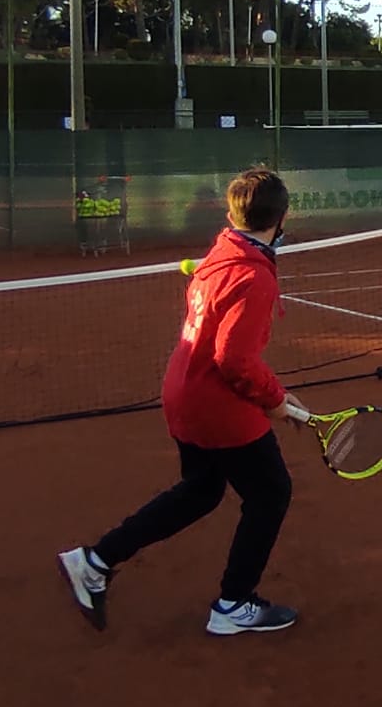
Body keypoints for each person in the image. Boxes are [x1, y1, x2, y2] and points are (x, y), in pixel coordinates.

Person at [57, 168, 305, 637]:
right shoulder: (254, 276)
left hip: (184, 391)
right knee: (270, 493)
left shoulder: (222, 252)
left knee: (202, 490)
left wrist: (273, 392)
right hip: (217, 406)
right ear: (281, 217)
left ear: (231, 214)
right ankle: (234, 603)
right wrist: (273, 401)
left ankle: (95, 561)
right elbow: (233, 360)